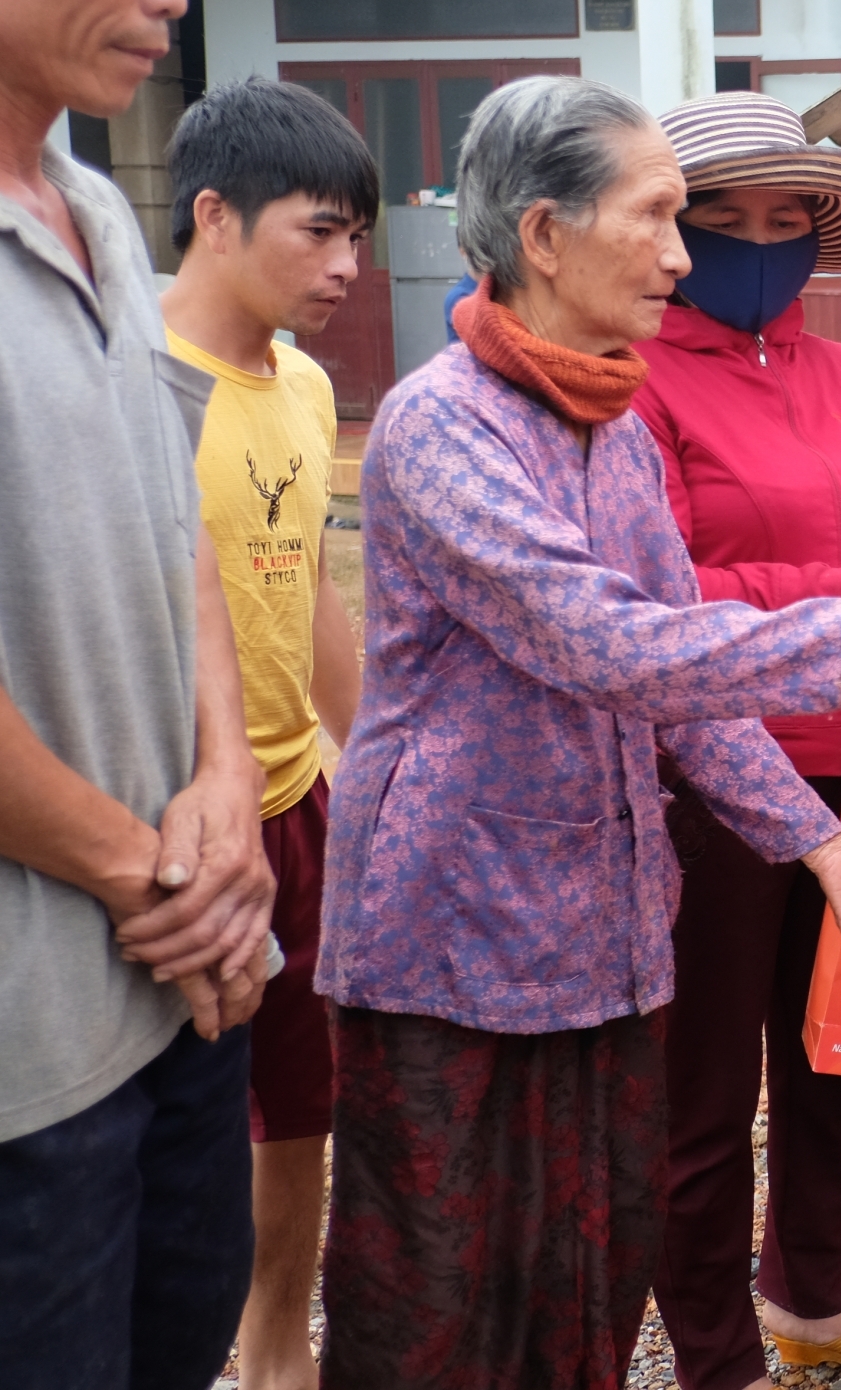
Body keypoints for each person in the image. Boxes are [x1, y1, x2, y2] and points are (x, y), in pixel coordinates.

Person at [313, 75, 841, 1387]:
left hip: (594, 923)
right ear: (544, 236)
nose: (680, 253)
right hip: (452, 930)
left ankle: (771, 1314)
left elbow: (675, 684)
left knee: (587, 1264)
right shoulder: (445, 423)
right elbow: (609, 637)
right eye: (660, 217)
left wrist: (821, 845)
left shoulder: (600, 421)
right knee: (437, 1281)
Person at [0, 0, 279, 1383]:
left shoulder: (102, 212)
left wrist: (228, 795)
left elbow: (177, 547)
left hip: (178, 989)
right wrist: (149, 871)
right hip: (32, 1040)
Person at [631, 91, 841, 1387]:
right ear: (672, 231)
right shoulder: (635, 378)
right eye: (726, 220)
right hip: (710, 776)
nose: (761, 245)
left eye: (788, 221)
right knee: (703, 1090)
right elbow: (661, 599)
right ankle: (717, 1354)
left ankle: (810, 1294)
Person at [157, 77, 376, 1390]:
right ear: (214, 216)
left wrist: (379, 766)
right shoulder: (137, 388)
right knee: (178, 1126)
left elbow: (305, 588)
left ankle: (278, 1357)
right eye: (318, 232)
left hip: (302, 801)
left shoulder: (299, 386)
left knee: (302, 1112)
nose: (348, 266)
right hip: (173, 820)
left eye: (357, 234)